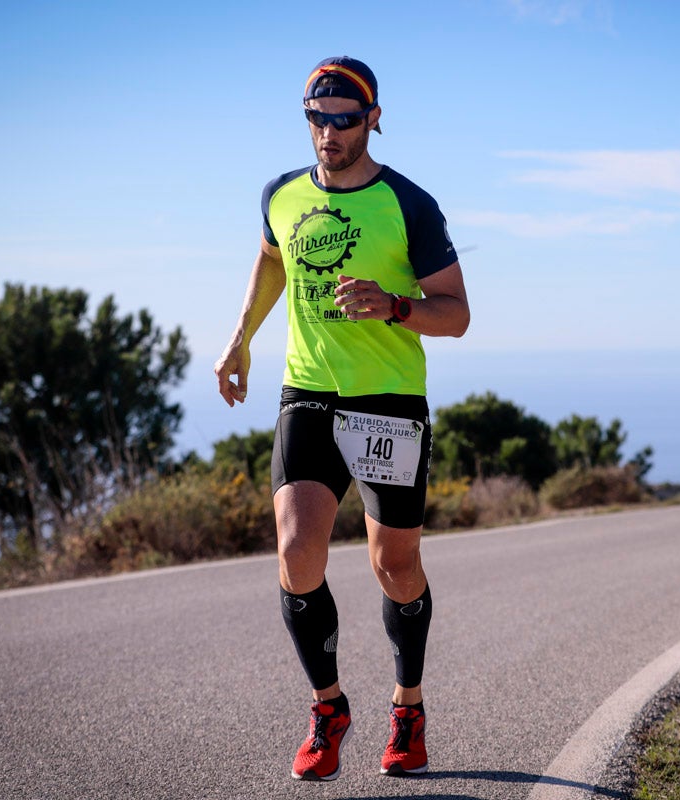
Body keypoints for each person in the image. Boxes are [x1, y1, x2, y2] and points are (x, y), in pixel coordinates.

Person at [214, 56, 470, 782]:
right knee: (297, 551)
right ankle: (329, 708)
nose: (329, 133)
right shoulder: (282, 195)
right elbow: (271, 261)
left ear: (374, 119)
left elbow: (457, 314)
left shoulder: (409, 205)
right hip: (309, 393)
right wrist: (240, 338)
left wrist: (395, 306)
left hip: (388, 401)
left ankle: (408, 707)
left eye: (344, 120)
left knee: (394, 564)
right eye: (316, 119)